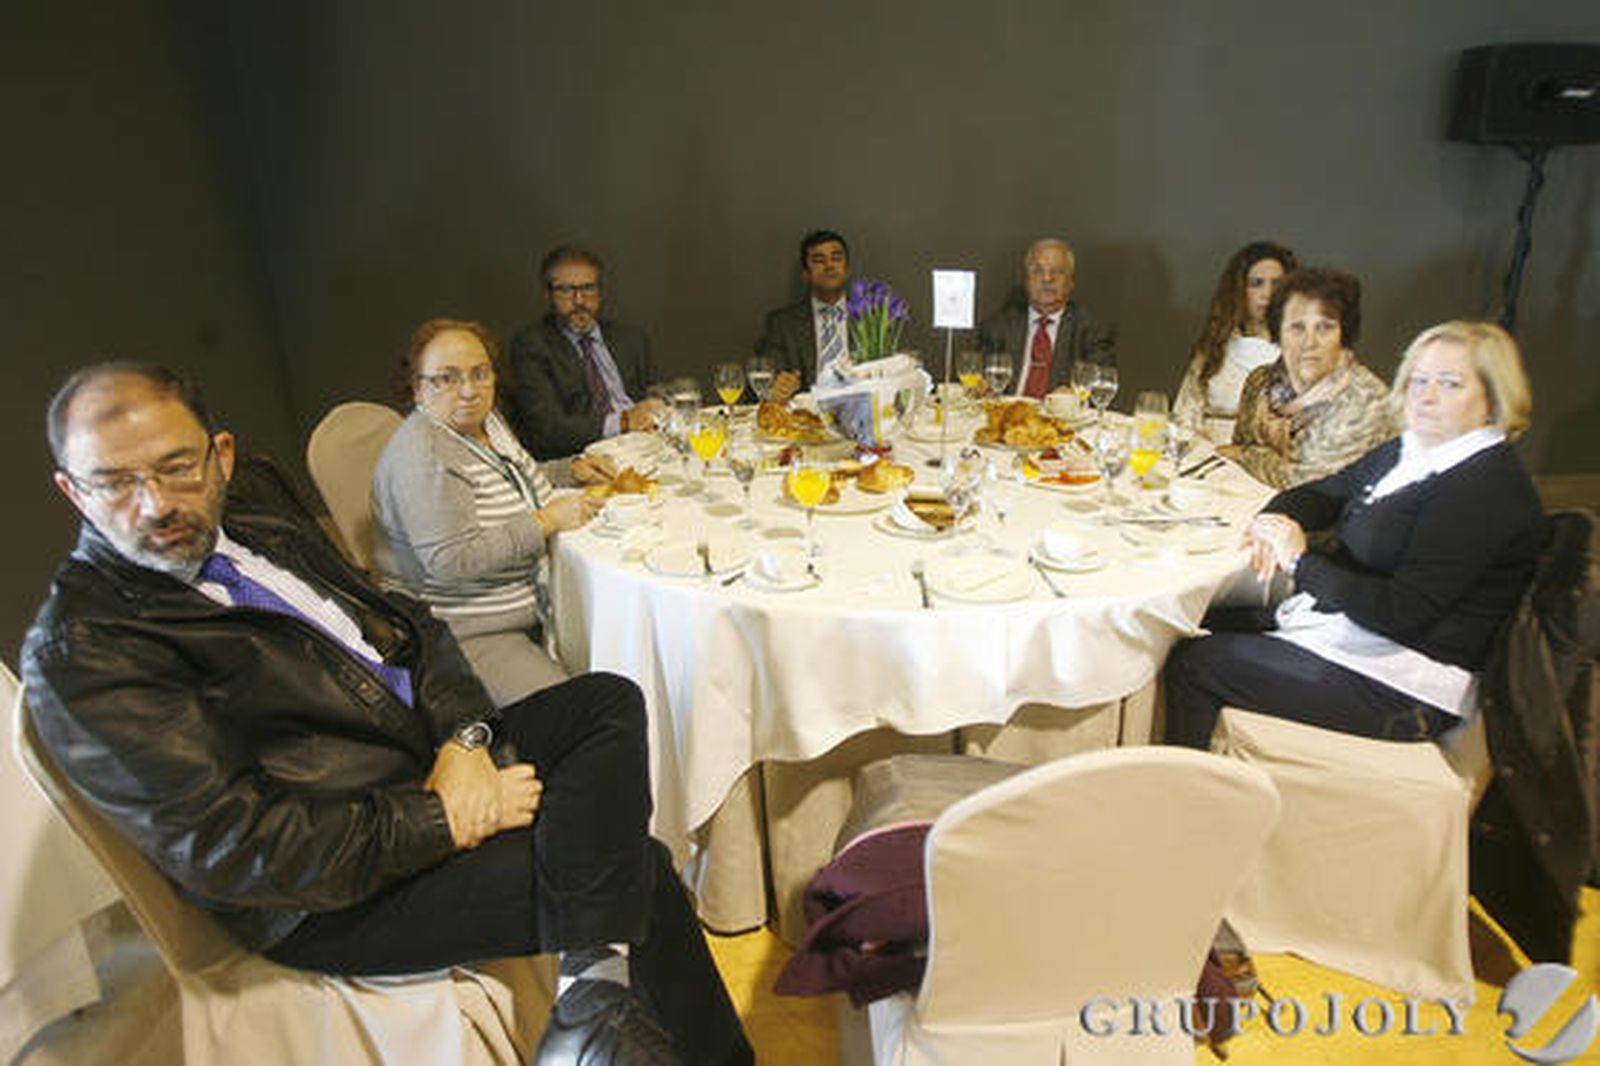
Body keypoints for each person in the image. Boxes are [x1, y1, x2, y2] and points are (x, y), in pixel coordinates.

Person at [23, 363, 752, 1064]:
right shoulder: (85, 647)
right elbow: (242, 852)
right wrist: (449, 816)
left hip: (421, 758)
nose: (153, 504)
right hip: (329, 890)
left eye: (176, 467)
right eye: (113, 482)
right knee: (641, 870)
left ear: (220, 455)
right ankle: (642, 1033)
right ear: (71, 491)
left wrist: (468, 743)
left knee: (605, 701)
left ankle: (589, 996)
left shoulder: (249, 507)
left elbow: (410, 624)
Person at [1164, 321, 1546, 750]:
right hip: (1356, 633)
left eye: (1450, 383)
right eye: (1418, 380)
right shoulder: (1415, 449)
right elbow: (1326, 493)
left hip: (1403, 685)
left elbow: (1400, 611)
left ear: (1494, 399)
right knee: (1189, 618)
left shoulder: (1483, 490)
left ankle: (1184, 804)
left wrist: (1298, 562)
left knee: (1194, 662)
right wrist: (1269, 521)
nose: (1427, 395)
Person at [373, 318, 615, 708]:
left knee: (621, 652)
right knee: (585, 714)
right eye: (446, 379)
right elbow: (451, 560)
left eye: (479, 373)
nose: (468, 390)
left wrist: (570, 469)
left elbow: (511, 481)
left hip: (532, 602)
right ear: (418, 389)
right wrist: (546, 521)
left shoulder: (484, 424)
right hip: (466, 630)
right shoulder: (424, 457)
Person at [1222, 267, 1396, 488]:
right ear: (1278, 333)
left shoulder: (1365, 400)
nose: (1310, 342)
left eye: (1324, 328)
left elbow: (1309, 484)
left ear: (1343, 335)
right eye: (1297, 327)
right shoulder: (1260, 383)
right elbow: (1234, 461)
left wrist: (1246, 455)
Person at [509, 244, 665, 459]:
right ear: (548, 294)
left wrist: (656, 412)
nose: (579, 300)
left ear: (600, 290)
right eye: (565, 290)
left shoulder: (631, 338)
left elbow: (656, 395)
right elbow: (548, 429)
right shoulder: (531, 346)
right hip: (584, 458)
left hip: (646, 447)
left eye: (588, 288)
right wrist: (623, 421)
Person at [1173, 241, 1298, 443]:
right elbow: (1185, 413)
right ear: (1240, 290)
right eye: (1256, 284)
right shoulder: (1217, 346)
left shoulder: (1304, 353)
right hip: (1205, 454)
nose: (1267, 294)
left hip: (1268, 463)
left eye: (1276, 284)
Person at [977, 237, 1116, 398]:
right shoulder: (998, 326)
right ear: (1026, 279)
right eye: (1037, 271)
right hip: (1010, 417)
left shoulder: (1093, 331)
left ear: (1071, 282)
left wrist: (1075, 396)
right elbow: (977, 376)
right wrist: (981, 385)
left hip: (1062, 420)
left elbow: (1101, 385)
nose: (1047, 279)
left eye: (1057, 271)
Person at [754, 229, 852, 403]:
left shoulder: (873, 319)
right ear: (806, 274)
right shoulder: (781, 324)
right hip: (807, 418)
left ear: (847, 268)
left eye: (836, 258)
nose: (829, 265)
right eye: (819, 261)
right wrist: (778, 387)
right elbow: (770, 378)